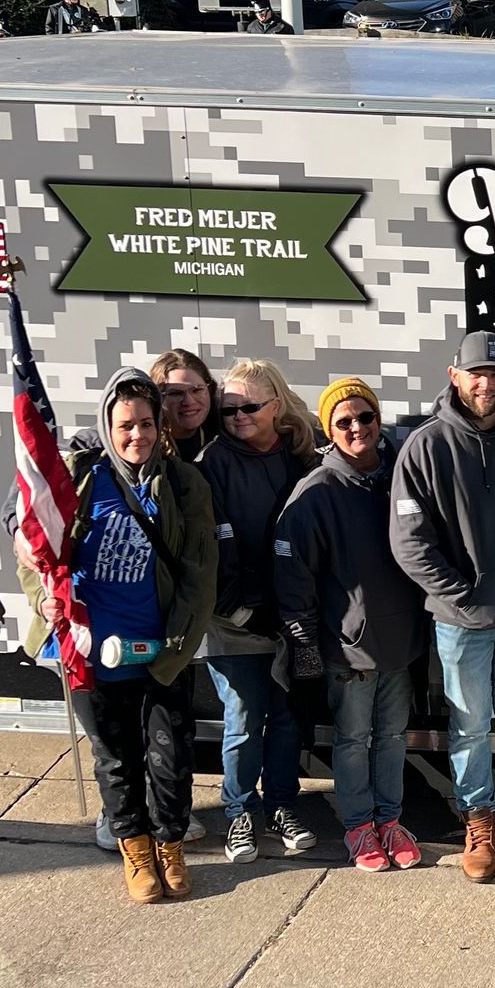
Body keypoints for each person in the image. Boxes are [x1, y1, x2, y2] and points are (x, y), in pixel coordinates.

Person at [16, 370, 215, 903]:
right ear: (107, 426)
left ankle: (170, 845)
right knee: (116, 757)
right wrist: (44, 599)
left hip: (158, 652)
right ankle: (135, 850)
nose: (137, 436)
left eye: (147, 424)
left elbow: (199, 576)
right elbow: (34, 549)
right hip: (90, 650)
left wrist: (176, 648)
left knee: (170, 757)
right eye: (125, 425)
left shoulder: (182, 484)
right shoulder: (79, 480)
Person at [389, 327, 495, 882]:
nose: (487, 384)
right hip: (460, 621)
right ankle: (478, 824)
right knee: (468, 726)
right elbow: (409, 541)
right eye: (477, 373)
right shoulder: (426, 445)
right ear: (455, 376)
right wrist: (459, 594)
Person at [275, 376, 425, 873]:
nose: (357, 427)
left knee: (392, 737)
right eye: (344, 421)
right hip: (349, 648)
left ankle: (390, 819)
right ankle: (359, 825)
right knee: (353, 738)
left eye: (367, 417)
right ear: (328, 428)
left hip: (400, 641)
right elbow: (292, 575)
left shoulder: (400, 475)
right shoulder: (316, 491)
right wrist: (304, 643)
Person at [200, 359, 318, 862]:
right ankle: (240, 813)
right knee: (244, 719)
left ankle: (283, 805)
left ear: (276, 405)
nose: (238, 416)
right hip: (235, 622)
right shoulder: (212, 463)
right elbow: (210, 549)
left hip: (292, 616)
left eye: (250, 406)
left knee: (289, 717)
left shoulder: (302, 454)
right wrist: (240, 611)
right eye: (229, 408)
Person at [150, 348, 220, 462]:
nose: (189, 402)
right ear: (158, 398)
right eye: (175, 393)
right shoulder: (148, 446)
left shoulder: (227, 437)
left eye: (197, 390)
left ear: (210, 389)